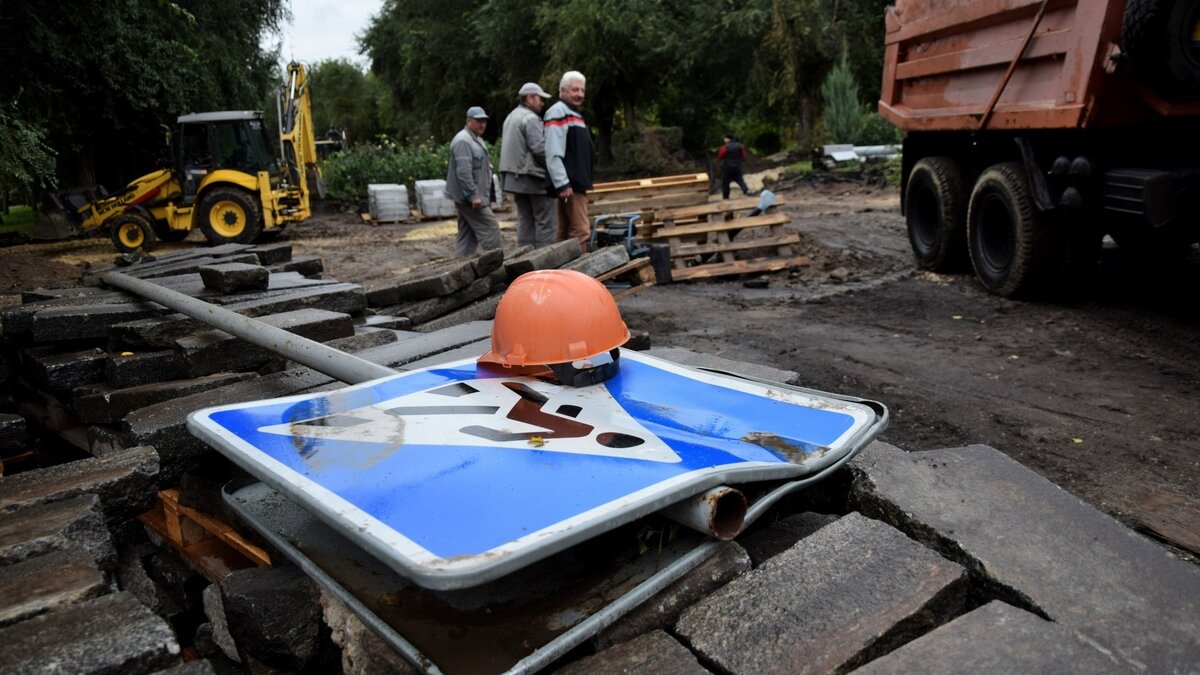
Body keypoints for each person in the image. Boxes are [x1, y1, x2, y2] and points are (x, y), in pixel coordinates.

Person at [544, 71, 596, 252]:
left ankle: (560, 275)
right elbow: (553, 151)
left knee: (565, 233)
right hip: (571, 184)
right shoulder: (558, 112)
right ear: (562, 90)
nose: (580, 94)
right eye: (575, 90)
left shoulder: (574, 114)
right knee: (581, 232)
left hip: (574, 183)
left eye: (582, 90)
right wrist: (562, 182)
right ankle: (580, 276)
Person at [500, 82, 555, 248]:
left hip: (514, 179)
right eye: (540, 99)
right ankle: (545, 261)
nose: (542, 103)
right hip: (531, 177)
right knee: (545, 221)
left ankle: (525, 258)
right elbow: (539, 149)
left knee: (525, 219)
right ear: (530, 98)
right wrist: (555, 168)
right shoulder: (530, 118)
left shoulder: (511, 116)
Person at [445, 106, 502, 257]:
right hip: (470, 199)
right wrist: (473, 195)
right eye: (478, 121)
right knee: (491, 229)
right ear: (468, 121)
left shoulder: (474, 139)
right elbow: (463, 172)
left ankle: (459, 267)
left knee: (467, 235)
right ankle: (498, 263)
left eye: (484, 121)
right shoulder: (463, 141)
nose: (482, 124)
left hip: (473, 197)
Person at [718, 132, 753, 199]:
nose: (724, 139)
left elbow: (720, 156)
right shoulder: (740, 145)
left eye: (725, 138)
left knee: (726, 182)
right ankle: (746, 190)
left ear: (728, 139)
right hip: (737, 166)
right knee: (740, 180)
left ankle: (726, 197)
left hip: (727, 167)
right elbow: (743, 155)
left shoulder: (724, 147)